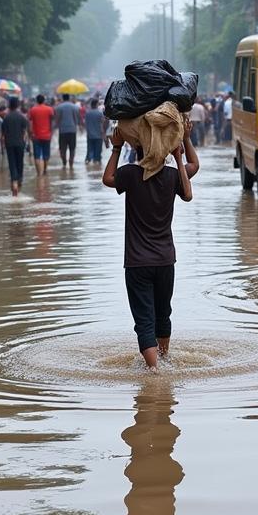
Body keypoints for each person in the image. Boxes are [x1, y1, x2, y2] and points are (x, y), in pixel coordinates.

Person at [103, 122, 195, 370]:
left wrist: (115, 148)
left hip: (137, 262)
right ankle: (164, 361)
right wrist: (184, 143)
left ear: (137, 149)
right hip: (165, 260)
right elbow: (193, 171)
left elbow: (107, 178)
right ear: (165, 149)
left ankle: (153, 371)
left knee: (144, 319)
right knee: (163, 314)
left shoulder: (131, 174)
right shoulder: (173, 175)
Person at [1, 96, 30, 196]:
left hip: (9, 144)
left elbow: (3, 134)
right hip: (20, 144)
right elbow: (25, 133)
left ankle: (14, 182)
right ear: (18, 105)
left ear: (9, 105)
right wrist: (25, 142)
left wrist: (2, 146)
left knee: (12, 163)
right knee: (20, 162)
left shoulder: (6, 118)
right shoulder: (22, 117)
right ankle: (19, 180)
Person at [28, 93, 55, 175]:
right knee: (46, 155)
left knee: (36, 156)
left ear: (37, 100)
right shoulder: (49, 109)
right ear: (44, 100)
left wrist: (30, 134)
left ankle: (38, 173)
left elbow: (30, 123)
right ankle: (45, 170)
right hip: (47, 136)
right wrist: (51, 132)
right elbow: (52, 122)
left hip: (36, 136)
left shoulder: (32, 110)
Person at [54, 93, 80, 167]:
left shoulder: (59, 107)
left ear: (63, 98)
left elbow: (57, 119)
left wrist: (55, 128)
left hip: (62, 131)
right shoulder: (75, 107)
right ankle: (71, 163)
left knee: (62, 148)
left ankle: (64, 163)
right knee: (72, 148)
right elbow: (77, 119)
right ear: (69, 98)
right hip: (72, 130)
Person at [84, 97, 107, 164]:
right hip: (98, 135)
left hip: (89, 135)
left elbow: (85, 124)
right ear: (96, 104)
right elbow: (103, 123)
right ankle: (97, 163)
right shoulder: (100, 114)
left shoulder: (87, 113)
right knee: (98, 152)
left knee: (89, 149)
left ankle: (88, 160)